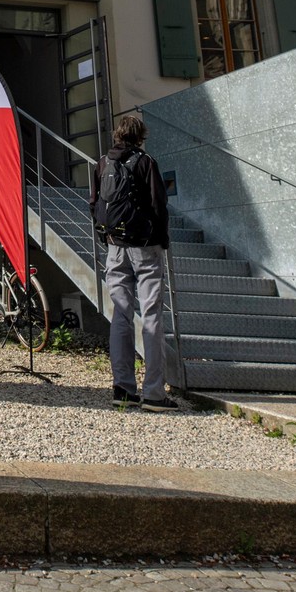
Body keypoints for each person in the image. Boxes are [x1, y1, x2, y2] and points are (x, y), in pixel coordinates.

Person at [90, 112, 177, 410]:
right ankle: (154, 393)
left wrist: (109, 237)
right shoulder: (145, 162)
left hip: (115, 247)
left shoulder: (102, 163)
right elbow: (158, 204)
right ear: (140, 136)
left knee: (121, 315)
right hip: (145, 247)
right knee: (151, 314)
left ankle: (123, 389)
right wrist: (162, 239)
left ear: (117, 134)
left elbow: (94, 203)